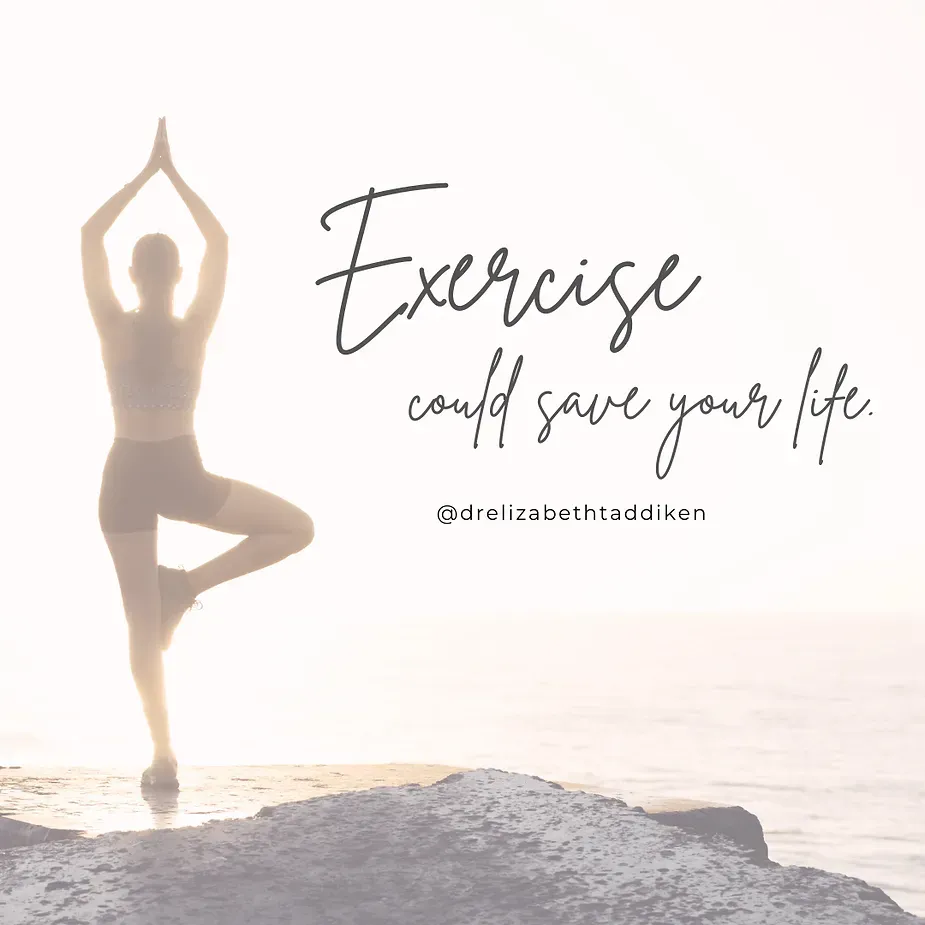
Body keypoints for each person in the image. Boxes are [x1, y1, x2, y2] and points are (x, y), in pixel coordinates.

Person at [82, 118, 314, 790]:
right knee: (296, 528)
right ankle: (184, 587)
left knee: (138, 621)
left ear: (131, 274)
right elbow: (220, 239)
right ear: (180, 275)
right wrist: (174, 174)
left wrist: (143, 175)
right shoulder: (196, 327)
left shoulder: (111, 325)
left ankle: (162, 752)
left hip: (126, 473)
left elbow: (87, 236)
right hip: (180, 472)